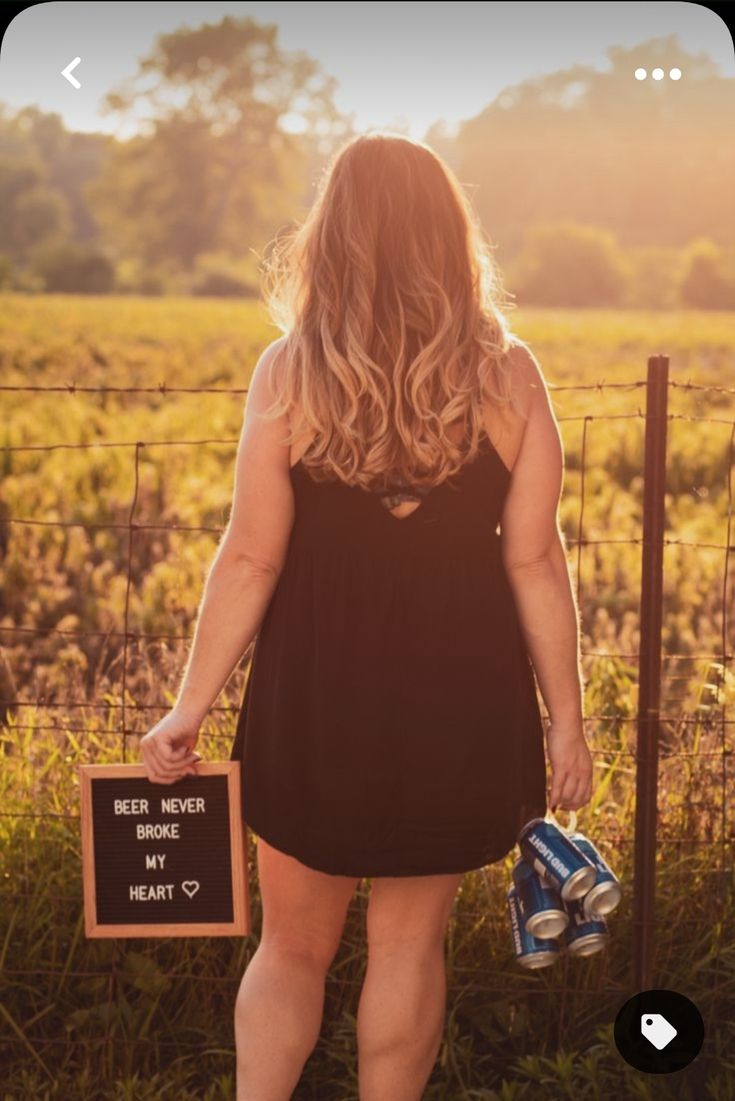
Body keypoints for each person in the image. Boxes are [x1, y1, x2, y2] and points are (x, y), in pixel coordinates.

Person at [140, 131, 593, 1101]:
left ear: (330, 236)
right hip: (459, 697)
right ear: (449, 236)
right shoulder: (508, 377)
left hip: (316, 695)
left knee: (293, 946)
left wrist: (188, 709)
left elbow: (252, 556)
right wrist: (567, 719)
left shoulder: (287, 375)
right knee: (409, 944)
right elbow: (536, 561)